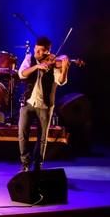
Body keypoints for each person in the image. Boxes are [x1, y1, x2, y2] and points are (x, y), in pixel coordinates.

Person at [17, 36, 70, 172]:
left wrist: (64, 68)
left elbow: (61, 81)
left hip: (45, 105)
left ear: (48, 52)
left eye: (41, 51)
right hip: (28, 102)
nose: (38, 53)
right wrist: (37, 66)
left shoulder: (54, 64)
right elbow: (22, 74)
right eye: (37, 49)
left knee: (42, 138)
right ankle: (25, 163)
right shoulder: (29, 59)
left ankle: (38, 164)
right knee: (22, 134)